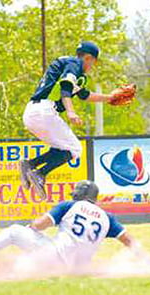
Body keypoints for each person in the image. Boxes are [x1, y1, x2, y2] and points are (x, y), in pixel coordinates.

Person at [0, 180, 150, 275]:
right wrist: (147, 261)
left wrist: (30, 228)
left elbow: (39, 225)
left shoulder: (69, 205)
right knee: (25, 265)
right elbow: (129, 240)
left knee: (15, 231)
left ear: (79, 194)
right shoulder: (108, 218)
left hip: (55, 257)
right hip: (78, 269)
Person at [20, 41, 116, 200]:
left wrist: (110, 98)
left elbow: (84, 95)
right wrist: (71, 112)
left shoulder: (71, 67)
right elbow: (66, 87)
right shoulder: (75, 64)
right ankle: (39, 173)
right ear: (88, 57)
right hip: (44, 111)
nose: (92, 65)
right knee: (75, 149)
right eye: (93, 62)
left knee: (63, 148)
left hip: (33, 113)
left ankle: (30, 164)